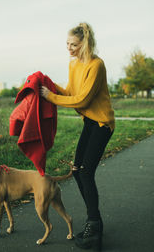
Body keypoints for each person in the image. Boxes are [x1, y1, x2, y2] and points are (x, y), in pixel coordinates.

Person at [40, 22, 115, 251]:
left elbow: (82, 100)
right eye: (67, 44)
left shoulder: (96, 65)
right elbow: (70, 92)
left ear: (85, 43)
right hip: (89, 123)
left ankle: (94, 225)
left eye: (73, 44)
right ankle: (96, 222)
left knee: (86, 172)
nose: (69, 48)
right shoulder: (74, 65)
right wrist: (47, 85)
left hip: (102, 123)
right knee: (77, 171)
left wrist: (51, 97)